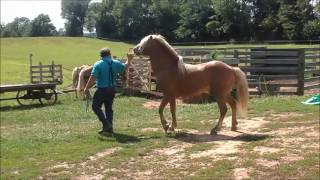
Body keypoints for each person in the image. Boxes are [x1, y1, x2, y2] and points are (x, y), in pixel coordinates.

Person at [84, 47, 127, 136]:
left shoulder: (98, 64)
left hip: (102, 89)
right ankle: (109, 129)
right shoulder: (116, 63)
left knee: (95, 107)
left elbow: (92, 78)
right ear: (109, 54)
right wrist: (129, 60)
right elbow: (124, 68)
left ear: (101, 56)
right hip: (112, 89)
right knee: (108, 109)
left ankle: (106, 124)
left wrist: (86, 88)